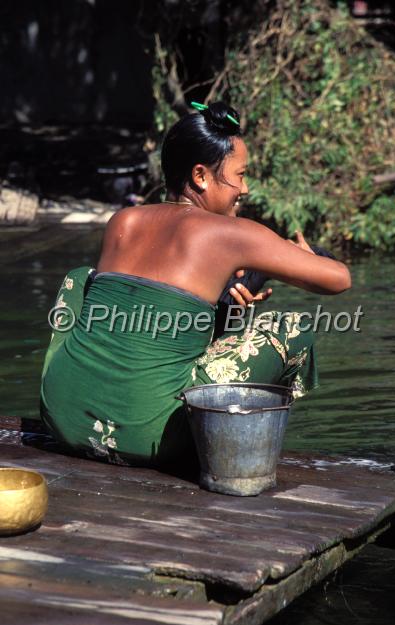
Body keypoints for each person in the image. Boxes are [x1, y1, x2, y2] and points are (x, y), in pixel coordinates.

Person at [40, 101, 351, 469]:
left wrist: (226, 308)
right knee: (292, 329)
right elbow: (338, 280)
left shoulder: (122, 221)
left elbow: (155, 319)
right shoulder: (229, 234)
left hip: (63, 419)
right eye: (240, 175)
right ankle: (234, 450)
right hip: (154, 438)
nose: (245, 189)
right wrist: (305, 256)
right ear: (201, 176)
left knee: (80, 278)